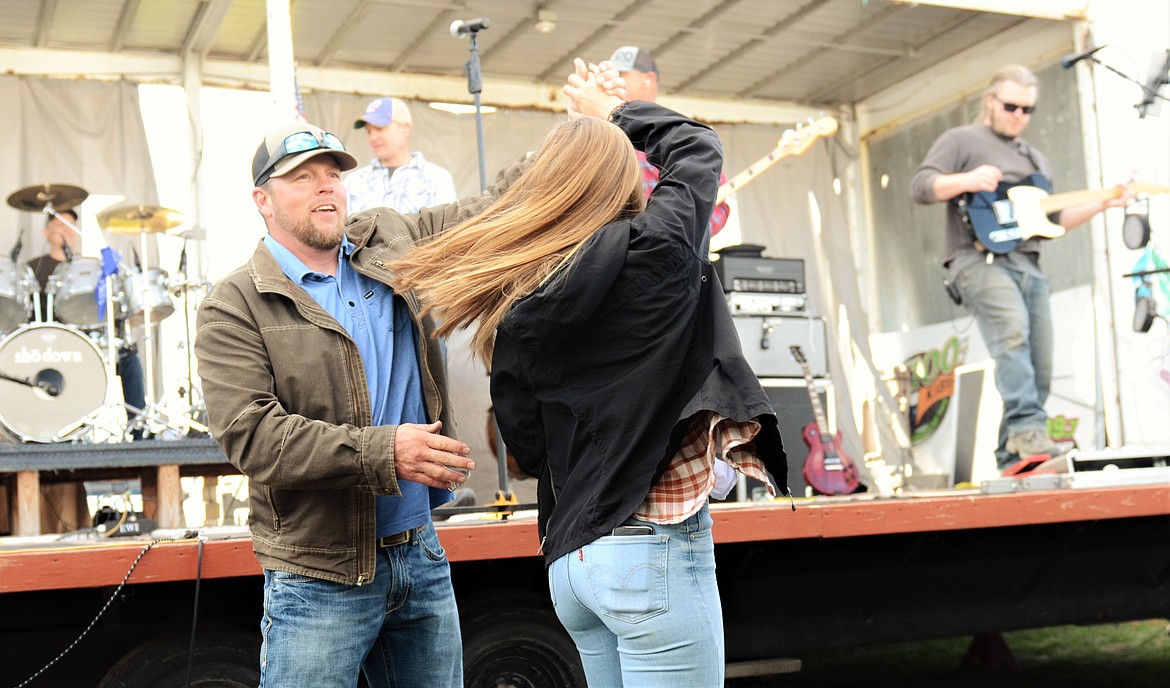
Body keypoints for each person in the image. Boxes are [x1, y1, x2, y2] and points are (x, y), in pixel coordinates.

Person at [390, 59, 788, 687]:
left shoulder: (518, 299)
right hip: (647, 545)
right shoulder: (658, 247)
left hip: (573, 561)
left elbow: (522, 448)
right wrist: (616, 114)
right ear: (623, 178)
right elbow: (698, 146)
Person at [194, 121, 526, 686]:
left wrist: (583, 128)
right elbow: (253, 435)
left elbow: (491, 209)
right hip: (317, 574)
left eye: (333, 175)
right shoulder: (234, 304)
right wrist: (384, 452)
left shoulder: (388, 242)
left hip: (419, 554)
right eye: (302, 177)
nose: (326, 187)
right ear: (262, 200)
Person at [910, 64, 1133, 473]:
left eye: (1027, 109)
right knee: (1012, 333)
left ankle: (1013, 452)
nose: (1018, 115)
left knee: (1040, 360)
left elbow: (1053, 222)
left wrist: (1104, 203)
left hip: (1028, 263)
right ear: (991, 101)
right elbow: (922, 187)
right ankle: (1030, 429)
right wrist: (966, 179)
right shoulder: (962, 139)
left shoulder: (1035, 159)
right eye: (1011, 106)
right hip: (976, 260)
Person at [27, 208, 146, 438]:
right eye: (60, 225)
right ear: (46, 232)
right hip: (55, 343)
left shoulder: (90, 267)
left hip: (88, 338)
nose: (66, 232)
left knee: (127, 357)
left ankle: (139, 427)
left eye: (71, 226)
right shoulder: (34, 268)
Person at [609, 46, 730, 245]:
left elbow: (717, 208)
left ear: (648, 80)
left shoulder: (677, 133)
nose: (612, 81)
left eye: (621, 75)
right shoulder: (604, 132)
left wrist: (671, 237)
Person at [345, 96, 458, 215]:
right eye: (369, 131)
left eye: (380, 128)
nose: (373, 137)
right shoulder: (354, 182)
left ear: (405, 129)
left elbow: (447, 230)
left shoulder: (437, 179)